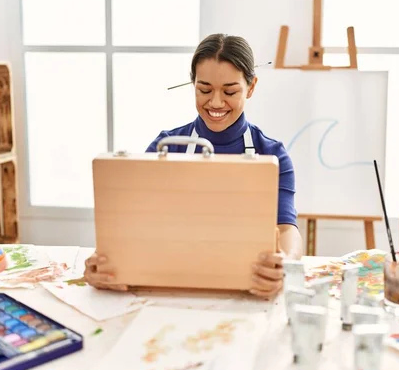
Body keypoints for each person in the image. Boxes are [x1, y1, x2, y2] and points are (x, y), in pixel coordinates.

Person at [85, 33, 303, 298]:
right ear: (193, 84)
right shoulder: (166, 146)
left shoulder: (273, 154)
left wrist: (285, 265)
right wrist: (106, 264)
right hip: (169, 288)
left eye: (230, 91)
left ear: (252, 87)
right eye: (205, 90)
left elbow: (286, 228)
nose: (216, 102)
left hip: (248, 292)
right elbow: (132, 224)